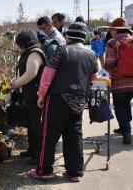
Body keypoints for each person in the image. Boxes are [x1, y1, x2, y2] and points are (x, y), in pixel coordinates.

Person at [28, 22, 97, 182]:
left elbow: (48, 74)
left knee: (49, 134)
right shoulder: (91, 54)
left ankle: (44, 170)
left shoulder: (62, 50)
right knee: (74, 135)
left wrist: (41, 95)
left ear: (68, 36)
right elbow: (93, 79)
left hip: (58, 97)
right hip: (79, 99)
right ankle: (75, 172)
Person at [11, 30, 46, 165]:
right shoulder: (30, 52)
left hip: (36, 96)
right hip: (30, 96)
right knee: (31, 124)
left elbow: (31, 73)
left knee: (36, 126)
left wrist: (16, 83)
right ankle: (32, 150)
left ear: (23, 43)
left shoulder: (34, 53)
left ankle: (38, 155)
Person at [105, 17, 133, 144]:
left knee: (120, 106)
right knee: (126, 103)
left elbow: (109, 64)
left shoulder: (112, 42)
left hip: (119, 82)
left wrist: (106, 80)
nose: (111, 32)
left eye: (112, 29)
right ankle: (124, 127)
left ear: (116, 30)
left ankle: (126, 132)